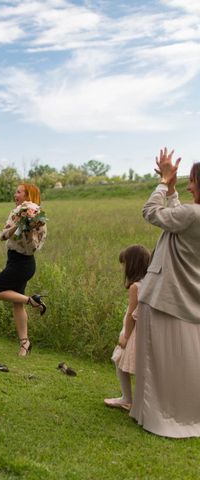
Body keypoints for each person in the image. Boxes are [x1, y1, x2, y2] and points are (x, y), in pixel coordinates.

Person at [130, 148, 200, 438]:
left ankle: (158, 414)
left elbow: (152, 212)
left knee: (157, 360)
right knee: (182, 361)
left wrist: (162, 184)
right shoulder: (192, 215)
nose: (189, 185)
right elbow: (178, 216)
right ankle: (180, 410)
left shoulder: (192, 214)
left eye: (193, 181)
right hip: (187, 298)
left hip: (165, 297)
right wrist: (171, 186)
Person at [0, 183, 47, 356]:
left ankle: (32, 301)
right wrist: (18, 225)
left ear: (28, 195)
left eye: (19, 192)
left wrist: (29, 226)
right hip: (16, 261)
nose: (15, 194)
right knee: (16, 304)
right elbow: (3, 235)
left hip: (23, 263)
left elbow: (35, 245)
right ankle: (25, 344)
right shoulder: (18, 213)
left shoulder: (37, 217)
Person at [104, 245, 150, 411]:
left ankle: (127, 398)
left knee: (119, 359)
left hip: (134, 332)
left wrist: (125, 337)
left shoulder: (135, 287)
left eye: (124, 264)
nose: (123, 268)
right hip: (147, 331)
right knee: (143, 367)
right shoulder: (150, 283)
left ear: (132, 265)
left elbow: (131, 314)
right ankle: (138, 400)